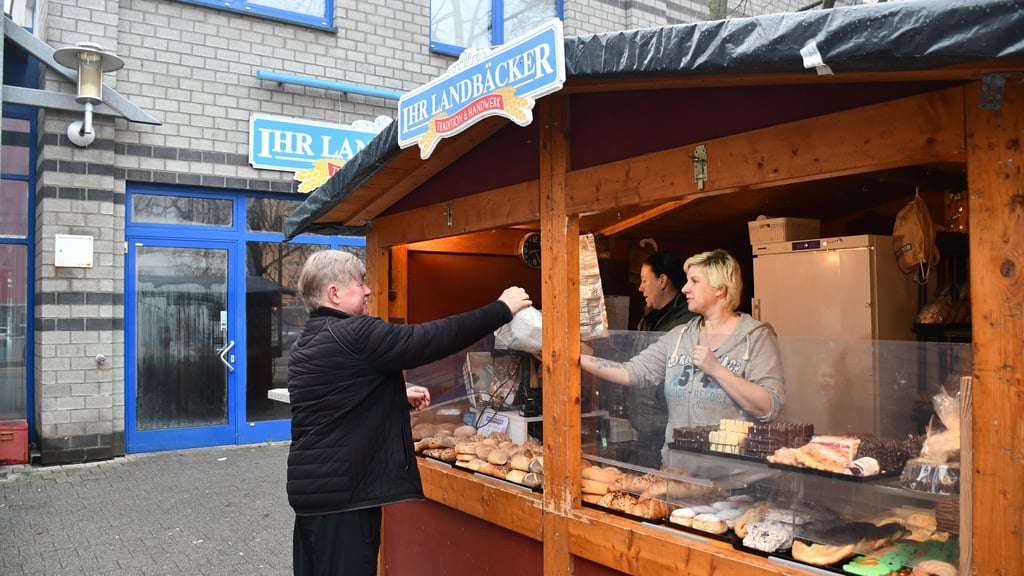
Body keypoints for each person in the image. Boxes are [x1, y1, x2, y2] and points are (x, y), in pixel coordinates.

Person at [286, 249, 532, 576]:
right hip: (345, 501)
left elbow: (335, 401)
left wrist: (394, 396)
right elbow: (426, 341)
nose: (368, 290)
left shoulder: (309, 340)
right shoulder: (355, 333)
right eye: (359, 284)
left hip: (315, 496)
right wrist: (500, 309)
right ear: (334, 293)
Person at [581, 249, 784, 463]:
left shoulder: (755, 336)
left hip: (734, 481)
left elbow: (769, 406)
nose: (685, 289)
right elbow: (631, 372)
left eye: (695, 281)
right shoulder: (679, 336)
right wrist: (577, 358)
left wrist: (717, 370)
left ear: (720, 289)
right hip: (680, 475)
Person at [627, 251, 698, 468]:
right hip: (647, 428)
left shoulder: (685, 324)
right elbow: (634, 361)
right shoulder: (649, 319)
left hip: (667, 428)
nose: (640, 287)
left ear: (663, 280)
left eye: (644, 280)